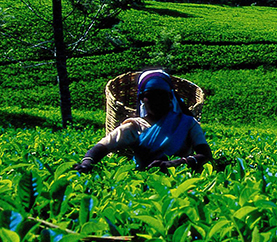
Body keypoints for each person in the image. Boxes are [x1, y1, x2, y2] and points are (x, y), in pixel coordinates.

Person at [74, 70, 212, 173]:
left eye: (161, 96)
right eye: (150, 96)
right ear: (142, 98)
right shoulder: (136, 126)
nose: (156, 101)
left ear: (170, 97)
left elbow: (205, 154)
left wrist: (175, 163)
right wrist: (87, 163)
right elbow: (102, 147)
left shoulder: (187, 123)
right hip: (144, 181)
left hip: (183, 179)